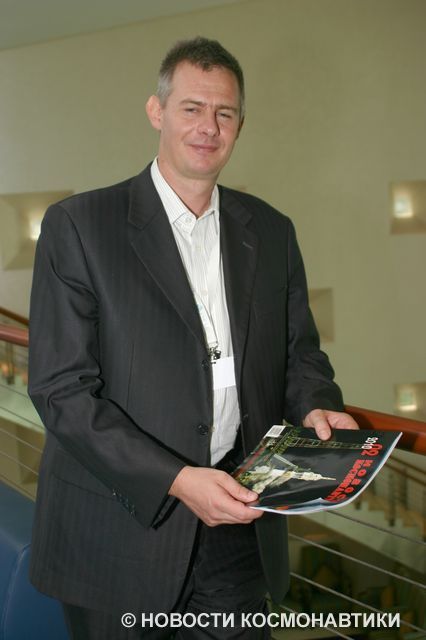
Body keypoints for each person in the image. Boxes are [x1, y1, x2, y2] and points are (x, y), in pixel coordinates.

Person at [28, 36, 357, 640]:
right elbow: (61, 392)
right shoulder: (79, 226)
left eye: (224, 112)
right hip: (119, 532)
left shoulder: (273, 231)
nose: (209, 126)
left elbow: (300, 354)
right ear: (157, 112)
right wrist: (177, 480)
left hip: (239, 519)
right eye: (192, 108)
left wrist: (317, 406)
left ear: (240, 125)